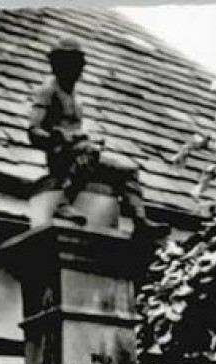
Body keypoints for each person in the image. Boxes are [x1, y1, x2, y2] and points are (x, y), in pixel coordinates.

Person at [28, 36, 168, 236]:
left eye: (80, 65)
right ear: (60, 64)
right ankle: (63, 203)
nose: (79, 70)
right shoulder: (48, 91)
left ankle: (140, 221)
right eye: (74, 64)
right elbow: (34, 132)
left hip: (80, 154)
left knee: (127, 170)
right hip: (61, 155)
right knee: (90, 152)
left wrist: (83, 138)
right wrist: (60, 137)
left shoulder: (75, 98)